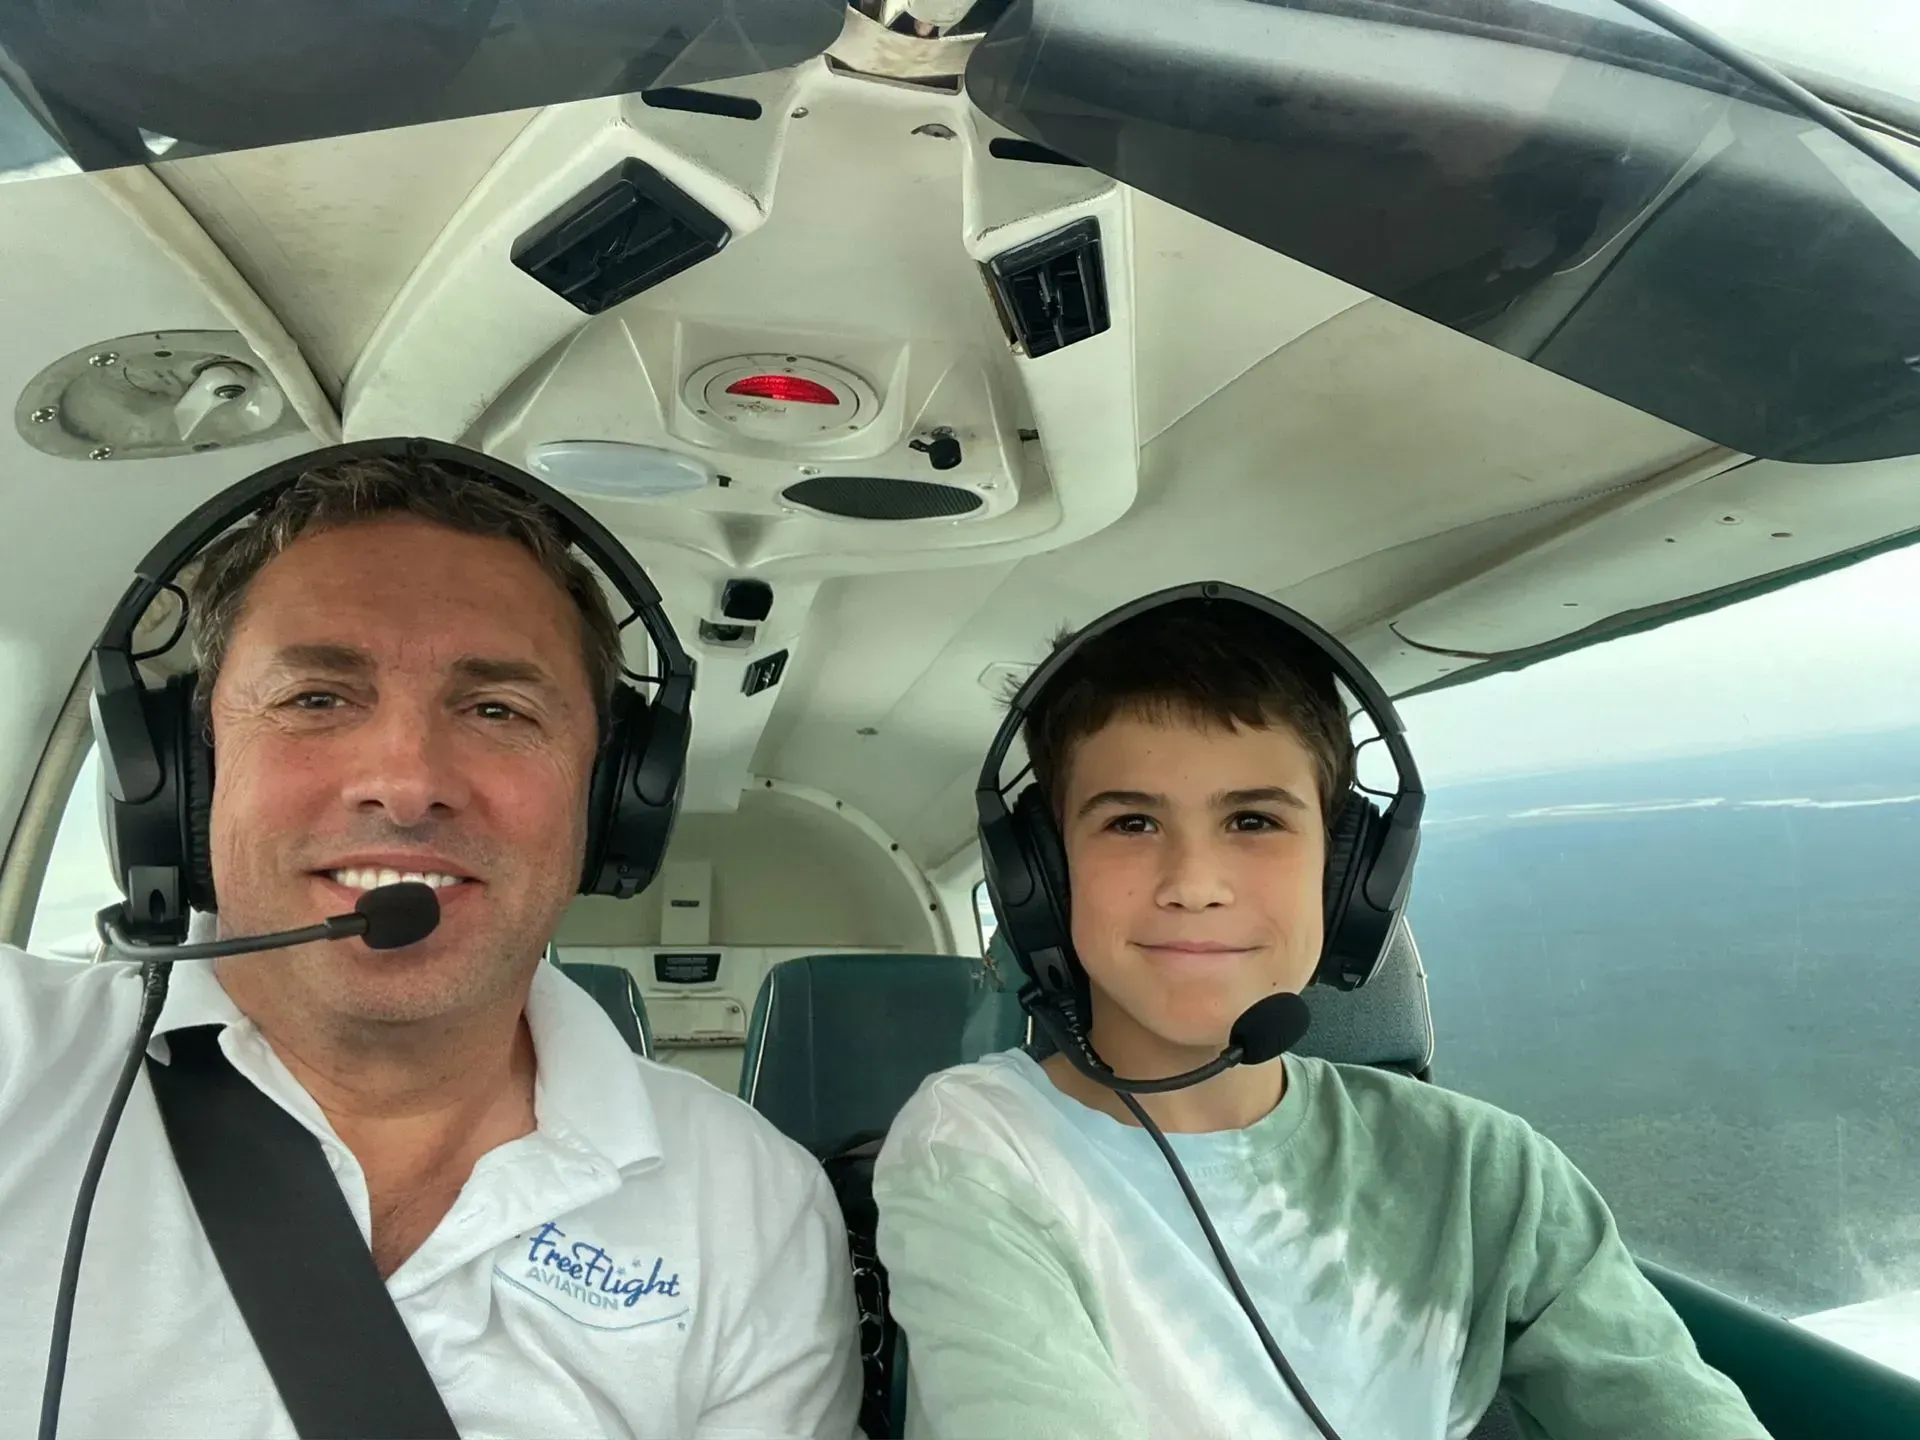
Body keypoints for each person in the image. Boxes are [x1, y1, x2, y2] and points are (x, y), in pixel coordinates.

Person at [0, 446, 861, 1438]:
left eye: (498, 709)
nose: (407, 783)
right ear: (182, 773)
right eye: (317, 699)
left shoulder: (751, 1206)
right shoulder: (22, 1059)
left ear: (611, 801)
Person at [872, 590, 1769, 1440]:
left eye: (1255, 820)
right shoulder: (977, 1151)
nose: (1194, 884)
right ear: (1041, 878)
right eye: (1131, 824)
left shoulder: (1482, 1171)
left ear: (1349, 876)